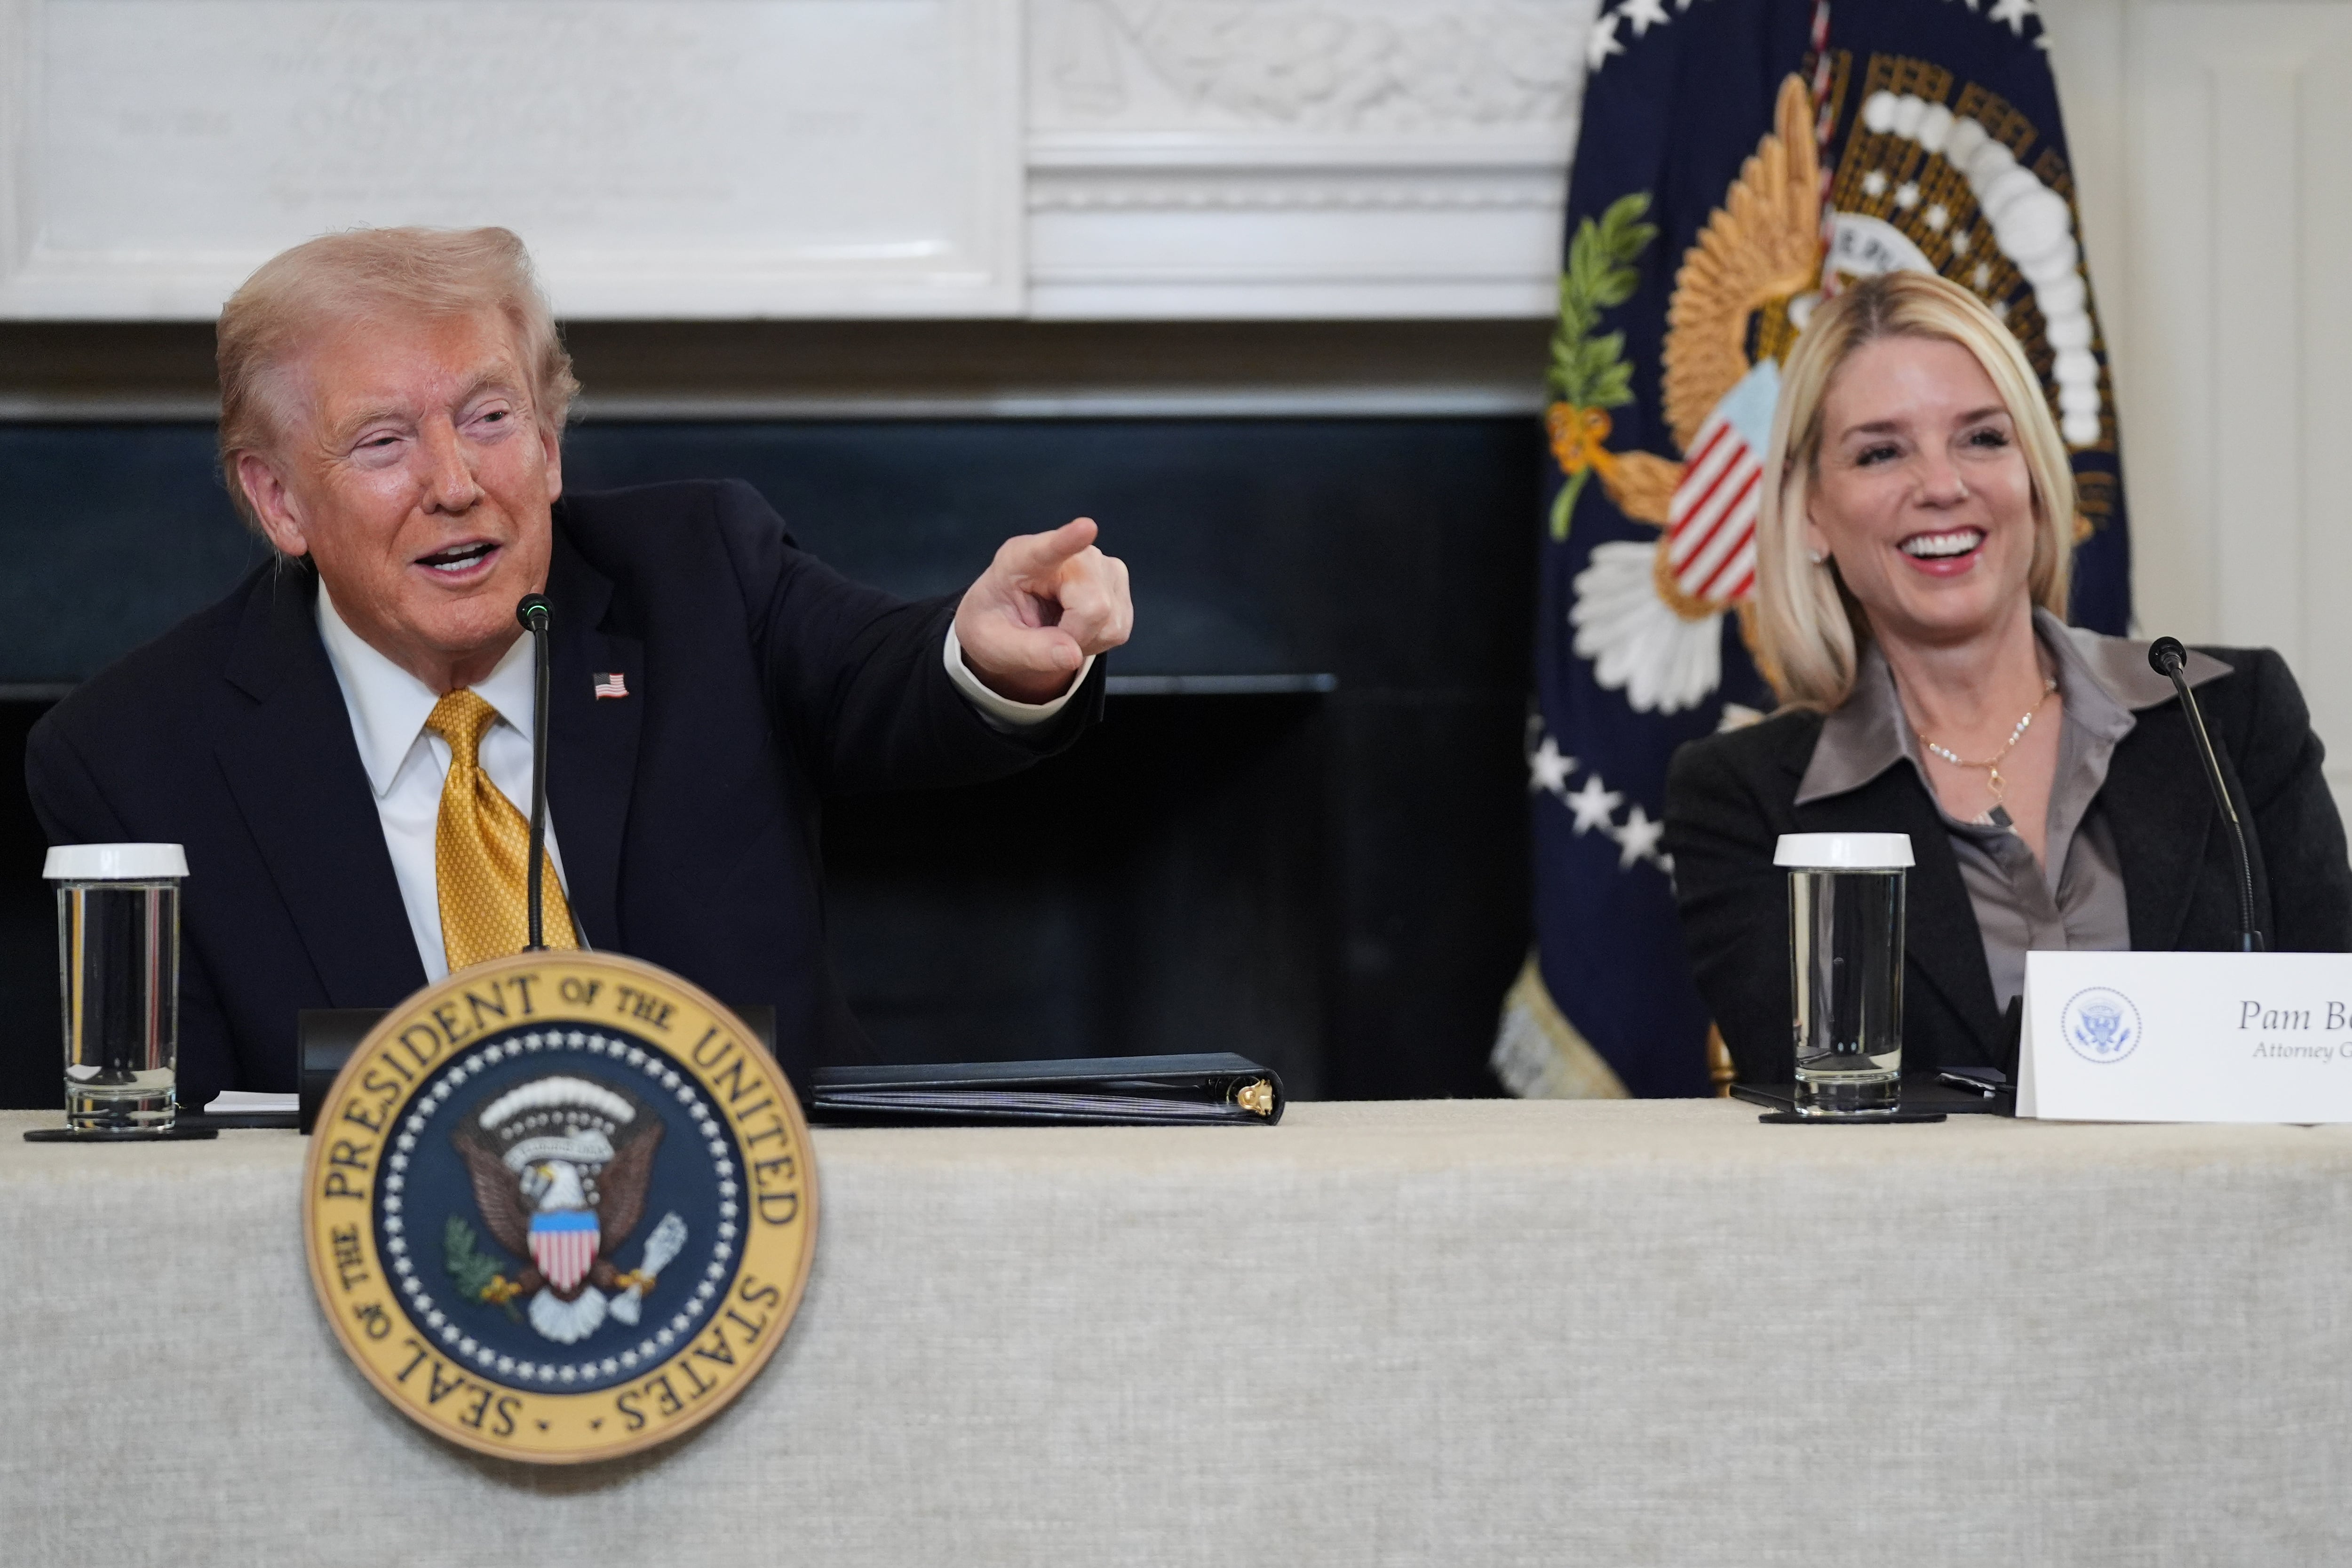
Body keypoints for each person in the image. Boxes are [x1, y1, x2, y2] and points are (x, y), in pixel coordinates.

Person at [26, 227, 1133, 1105]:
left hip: (771, 1239)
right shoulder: (135, 755)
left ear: (550, 448)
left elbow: (885, 678)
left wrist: (992, 654)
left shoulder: (702, 578)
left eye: (491, 417)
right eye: (382, 442)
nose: (455, 481)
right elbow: (181, 1146)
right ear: (278, 501)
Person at [1663, 271, 2352, 1085]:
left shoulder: (2232, 716)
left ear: (2033, 473)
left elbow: (2328, 1038)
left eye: (1983, 438)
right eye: (1882, 452)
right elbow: (1819, 1100)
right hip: (1929, 1217)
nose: (1943, 486)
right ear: (1812, 512)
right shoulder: (1742, 800)